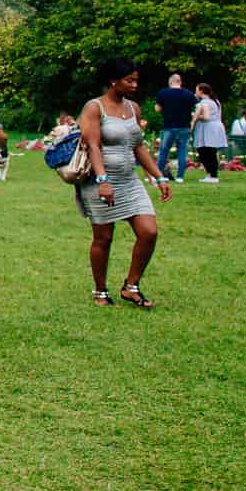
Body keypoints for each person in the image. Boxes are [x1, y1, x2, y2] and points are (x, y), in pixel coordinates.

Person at [77, 58, 169, 309]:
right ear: (113, 80)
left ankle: (131, 286)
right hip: (101, 180)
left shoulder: (133, 108)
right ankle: (100, 290)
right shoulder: (95, 108)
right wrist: (103, 180)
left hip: (129, 180)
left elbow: (138, 146)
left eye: (136, 80)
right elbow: (93, 145)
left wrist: (158, 176)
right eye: (129, 80)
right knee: (104, 238)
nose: (134, 85)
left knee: (149, 231)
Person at [152, 73, 197, 183]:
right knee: (182, 151)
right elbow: (196, 108)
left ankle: (157, 175)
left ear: (170, 82)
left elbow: (157, 109)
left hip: (168, 126)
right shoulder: (189, 94)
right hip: (184, 126)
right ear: (180, 82)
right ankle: (180, 177)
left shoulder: (163, 93)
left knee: (164, 151)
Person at [191, 83, 226, 184]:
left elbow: (206, 117)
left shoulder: (204, 102)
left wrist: (195, 116)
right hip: (216, 126)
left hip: (208, 128)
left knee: (206, 152)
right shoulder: (216, 101)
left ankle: (213, 175)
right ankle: (210, 175)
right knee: (210, 152)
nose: (195, 92)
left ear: (201, 91)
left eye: (197, 90)